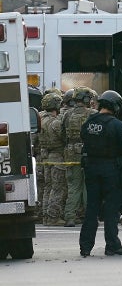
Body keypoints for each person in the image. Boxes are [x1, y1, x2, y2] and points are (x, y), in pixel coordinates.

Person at [79, 90, 122, 257]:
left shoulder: (88, 123)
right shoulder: (117, 125)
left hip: (91, 168)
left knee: (92, 208)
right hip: (110, 169)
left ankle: (85, 247)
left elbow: (83, 139)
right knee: (111, 208)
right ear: (116, 106)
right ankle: (112, 245)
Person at [62, 86, 97, 227]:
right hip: (88, 152)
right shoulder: (93, 113)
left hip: (70, 153)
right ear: (86, 99)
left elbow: (62, 134)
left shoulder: (67, 114)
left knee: (73, 186)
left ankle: (70, 217)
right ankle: (89, 216)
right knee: (88, 185)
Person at [39, 93, 67, 226]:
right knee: (57, 188)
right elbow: (64, 138)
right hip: (57, 158)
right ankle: (53, 217)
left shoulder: (40, 120)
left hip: (45, 157)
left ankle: (45, 215)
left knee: (47, 187)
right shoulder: (56, 122)